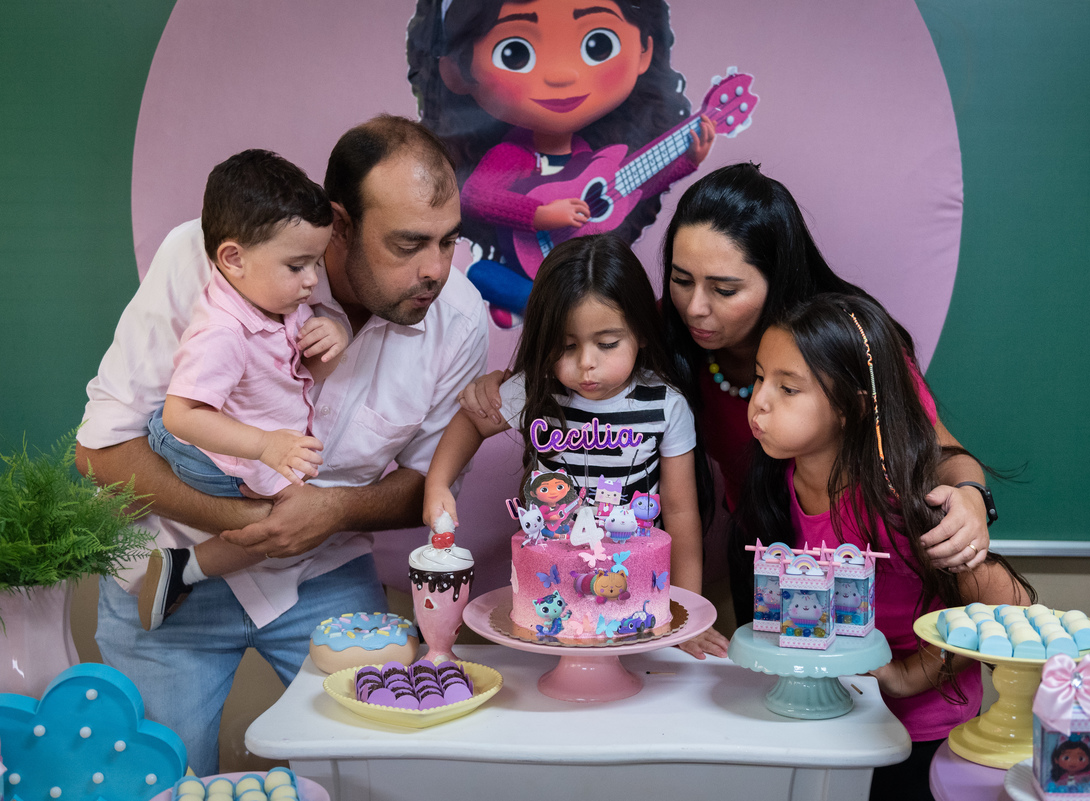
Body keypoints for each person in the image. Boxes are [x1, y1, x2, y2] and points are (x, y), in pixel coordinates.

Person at [74, 115, 489, 775]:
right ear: (339, 224)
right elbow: (100, 451)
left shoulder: (460, 321)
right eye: (409, 244)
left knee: (378, 774)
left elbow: (428, 487)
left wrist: (333, 510)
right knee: (162, 784)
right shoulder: (208, 258)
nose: (436, 270)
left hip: (324, 575)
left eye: (449, 240)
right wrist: (250, 524)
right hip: (165, 575)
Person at [458, 164, 993, 646]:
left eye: (725, 289)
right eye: (681, 280)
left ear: (776, 281)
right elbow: (579, 353)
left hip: (860, 564)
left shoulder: (843, 346)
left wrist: (971, 497)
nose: (695, 307)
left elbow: (942, 455)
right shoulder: (659, 333)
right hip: (762, 551)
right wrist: (511, 384)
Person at [735, 293, 1033, 801]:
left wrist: (909, 676)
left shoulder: (897, 503)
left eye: (788, 388)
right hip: (838, 718)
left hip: (920, 734)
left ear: (852, 407)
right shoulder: (777, 480)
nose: (760, 401)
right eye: (759, 378)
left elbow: (1009, 603)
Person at [137, 149, 350, 632]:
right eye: (297, 266)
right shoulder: (222, 333)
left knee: (291, 519)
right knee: (279, 524)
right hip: (196, 444)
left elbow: (298, 372)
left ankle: (183, 568)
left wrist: (334, 338)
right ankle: (183, 569)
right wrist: (264, 445)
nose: (313, 280)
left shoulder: (274, 299)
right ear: (233, 259)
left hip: (253, 442)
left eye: (316, 263)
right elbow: (180, 415)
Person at [423, 234, 704, 598]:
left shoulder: (665, 405)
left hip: (632, 582)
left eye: (607, 344)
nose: (586, 362)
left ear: (641, 333)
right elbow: (471, 422)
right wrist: (437, 483)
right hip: (552, 585)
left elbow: (681, 515)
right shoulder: (537, 390)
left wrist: (688, 605)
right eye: (567, 346)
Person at [407, 0, 714, 325]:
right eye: (515, 53)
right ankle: (539, 303)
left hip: (578, 270)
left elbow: (633, 188)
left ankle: (541, 302)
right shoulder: (512, 154)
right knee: (481, 272)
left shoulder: (591, 156)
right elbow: (476, 197)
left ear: (644, 51)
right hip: (527, 261)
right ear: (457, 70)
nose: (561, 75)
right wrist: (539, 215)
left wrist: (686, 162)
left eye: (597, 45)